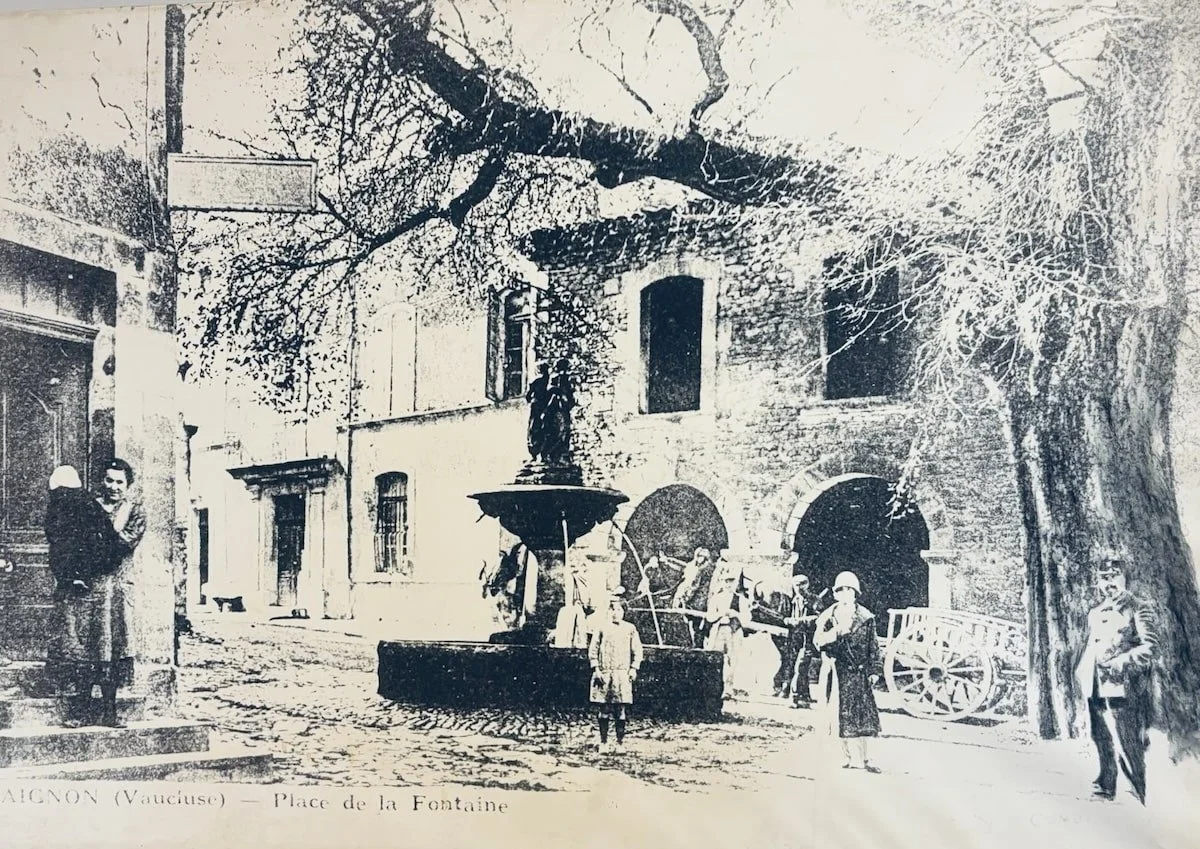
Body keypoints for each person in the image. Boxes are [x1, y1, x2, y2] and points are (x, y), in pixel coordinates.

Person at [54, 459, 145, 728]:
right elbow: (68, 538)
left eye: (120, 482)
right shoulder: (86, 506)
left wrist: (93, 540)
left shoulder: (134, 512)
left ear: (128, 485)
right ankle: (80, 710)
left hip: (115, 589)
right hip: (87, 589)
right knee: (84, 646)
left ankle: (109, 712)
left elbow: (122, 544)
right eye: (109, 480)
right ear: (101, 482)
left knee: (112, 646)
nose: (114, 487)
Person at [1075, 558, 1157, 804]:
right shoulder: (1095, 612)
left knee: (1126, 741)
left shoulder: (1139, 608)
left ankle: (1137, 791)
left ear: (1125, 578)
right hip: (1094, 683)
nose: (1109, 582)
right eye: (1104, 577)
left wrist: (1120, 662)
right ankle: (1106, 784)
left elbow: (1151, 648)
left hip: (1123, 685)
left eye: (1114, 576)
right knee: (1100, 736)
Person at [813, 571, 883, 771]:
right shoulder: (828, 616)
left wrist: (875, 671)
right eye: (841, 591)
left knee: (861, 718)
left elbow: (874, 647)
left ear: (855, 594)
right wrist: (835, 633)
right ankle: (844, 757)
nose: (845, 594)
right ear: (835, 594)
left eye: (849, 591)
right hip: (836, 672)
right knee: (837, 715)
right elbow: (817, 642)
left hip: (858, 674)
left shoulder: (866, 618)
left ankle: (862, 759)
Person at [588, 590, 643, 755]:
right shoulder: (601, 628)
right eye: (612, 610)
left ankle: (620, 743)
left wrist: (633, 668)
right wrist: (596, 668)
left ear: (624, 612)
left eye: (619, 610)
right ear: (608, 611)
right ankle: (604, 742)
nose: (615, 613)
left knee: (620, 710)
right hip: (604, 673)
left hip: (622, 675)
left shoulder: (630, 629)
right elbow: (593, 650)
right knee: (604, 709)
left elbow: (637, 650)